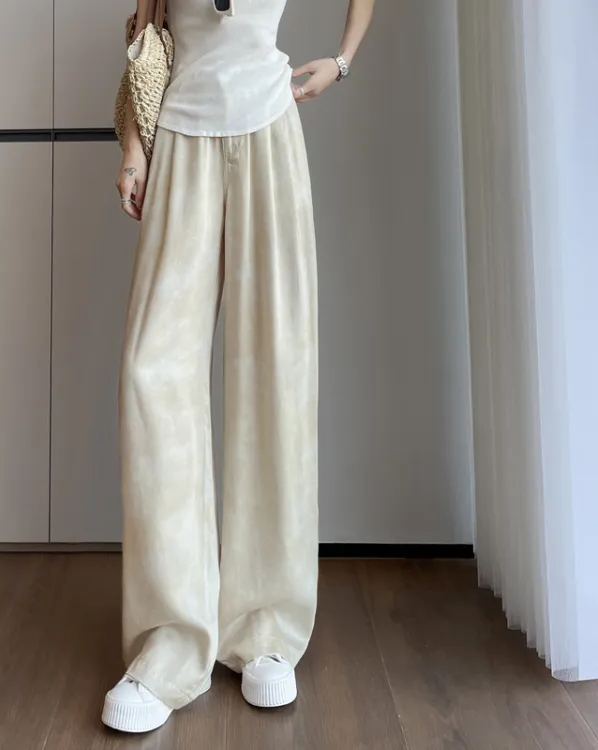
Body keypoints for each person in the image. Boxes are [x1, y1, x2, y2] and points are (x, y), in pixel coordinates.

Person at [103, 0, 375, 734]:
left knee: (276, 373)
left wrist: (342, 60)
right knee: (152, 374)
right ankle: (170, 640)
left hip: (269, 133)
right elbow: (143, 39)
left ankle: (264, 628)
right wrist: (133, 148)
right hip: (180, 141)